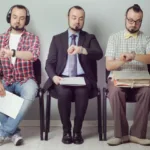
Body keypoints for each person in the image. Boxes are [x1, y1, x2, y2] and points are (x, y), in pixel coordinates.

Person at [44, 6, 103, 144]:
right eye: (74, 17)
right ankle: (66, 131)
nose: (77, 21)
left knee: (82, 93)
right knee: (64, 93)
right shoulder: (57, 39)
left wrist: (82, 50)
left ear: (84, 20)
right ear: (68, 18)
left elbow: (99, 54)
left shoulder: (89, 38)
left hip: (83, 79)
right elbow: (49, 63)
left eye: (81, 18)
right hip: (62, 78)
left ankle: (77, 131)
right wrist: (54, 77)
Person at [105, 4, 150, 146]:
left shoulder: (146, 38)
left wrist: (134, 55)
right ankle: (121, 134)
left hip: (141, 80)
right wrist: (121, 60)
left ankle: (137, 134)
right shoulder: (114, 38)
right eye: (130, 20)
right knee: (115, 91)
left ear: (141, 21)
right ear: (125, 18)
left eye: (137, 21)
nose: (134, 24)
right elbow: (108, 65)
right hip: (119, 79)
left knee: (147, 92)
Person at [0, 5, 40, 146]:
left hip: (26, 79)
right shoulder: (1, 38)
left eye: (22, 18)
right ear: (9, 18)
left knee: (31, 92)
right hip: (6, 79)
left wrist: (13, 52)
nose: (17, 21)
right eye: (15, 17)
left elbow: (33, 55)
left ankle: (3, 133)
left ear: (26, 20)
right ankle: (14, 133)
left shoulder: (32, 38)